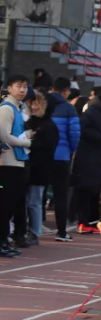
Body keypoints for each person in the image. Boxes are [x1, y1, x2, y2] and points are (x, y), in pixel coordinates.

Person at [0, 75, 33, 256]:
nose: (22, 90)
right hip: (4, 163)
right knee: (2, 205)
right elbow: (4, 136)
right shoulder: (6, 108)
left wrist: (27, 136)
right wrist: (27, 142)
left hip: (16, 162)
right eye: (19, 86)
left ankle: (2, 240)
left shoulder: (17, 109)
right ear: (9, 88)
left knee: (10, 205)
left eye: (25, 87)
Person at [48, 77, 82, 236]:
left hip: (42, 156)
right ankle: (61, 232)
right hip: (62, 156)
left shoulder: (43, 104)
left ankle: (31, 228)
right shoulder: (69, 109)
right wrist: (70, 150)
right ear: (66, 91)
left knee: (36, 194)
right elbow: (74, 134)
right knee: (61, 194)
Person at [24, 92, 58, 242]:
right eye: (32, 103)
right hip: (26, 165)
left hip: (40, 168)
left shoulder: (49, 125)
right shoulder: (28, 122)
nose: (34, 107)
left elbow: (49, 146)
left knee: (34, 201)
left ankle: (35, 232)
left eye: (37, 103)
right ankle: (23, 230)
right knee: (25, 201)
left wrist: (31, 142)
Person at [72, 92, 101, 232]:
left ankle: (92, 222)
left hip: (96, 157)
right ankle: (83, 222)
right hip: (88, 156)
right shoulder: (92, 111)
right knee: (86, 189)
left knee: (94, 190)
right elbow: (82, 129)